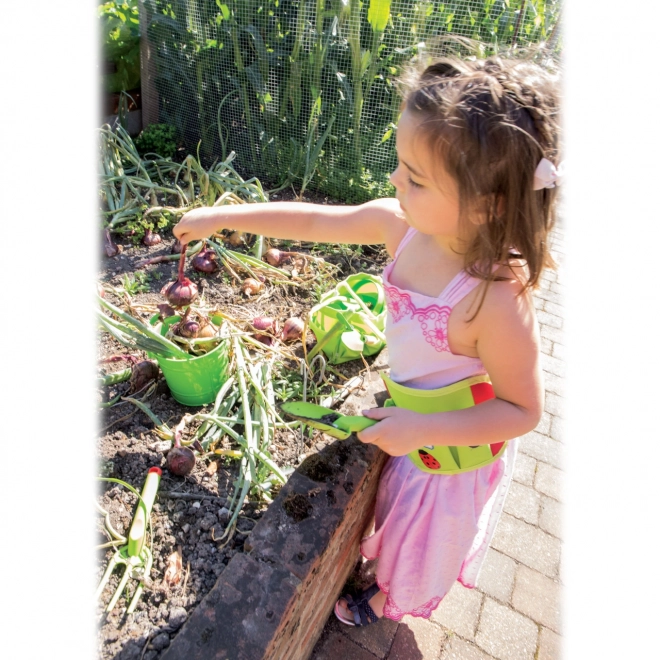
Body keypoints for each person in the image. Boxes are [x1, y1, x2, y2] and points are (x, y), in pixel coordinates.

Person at [173, 55, 561, 626]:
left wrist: (423, 428)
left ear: (488, 203)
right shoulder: (399, 227)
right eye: (399, 165)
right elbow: (312, 222)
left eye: (415, 177)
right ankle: (383, 571)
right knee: (391, 515)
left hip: (448, 456)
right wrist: (221, 217)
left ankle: (384, 601)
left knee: (419, 539)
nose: (394, 181)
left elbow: (522, 410)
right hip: (411, 422)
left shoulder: (495, 297)